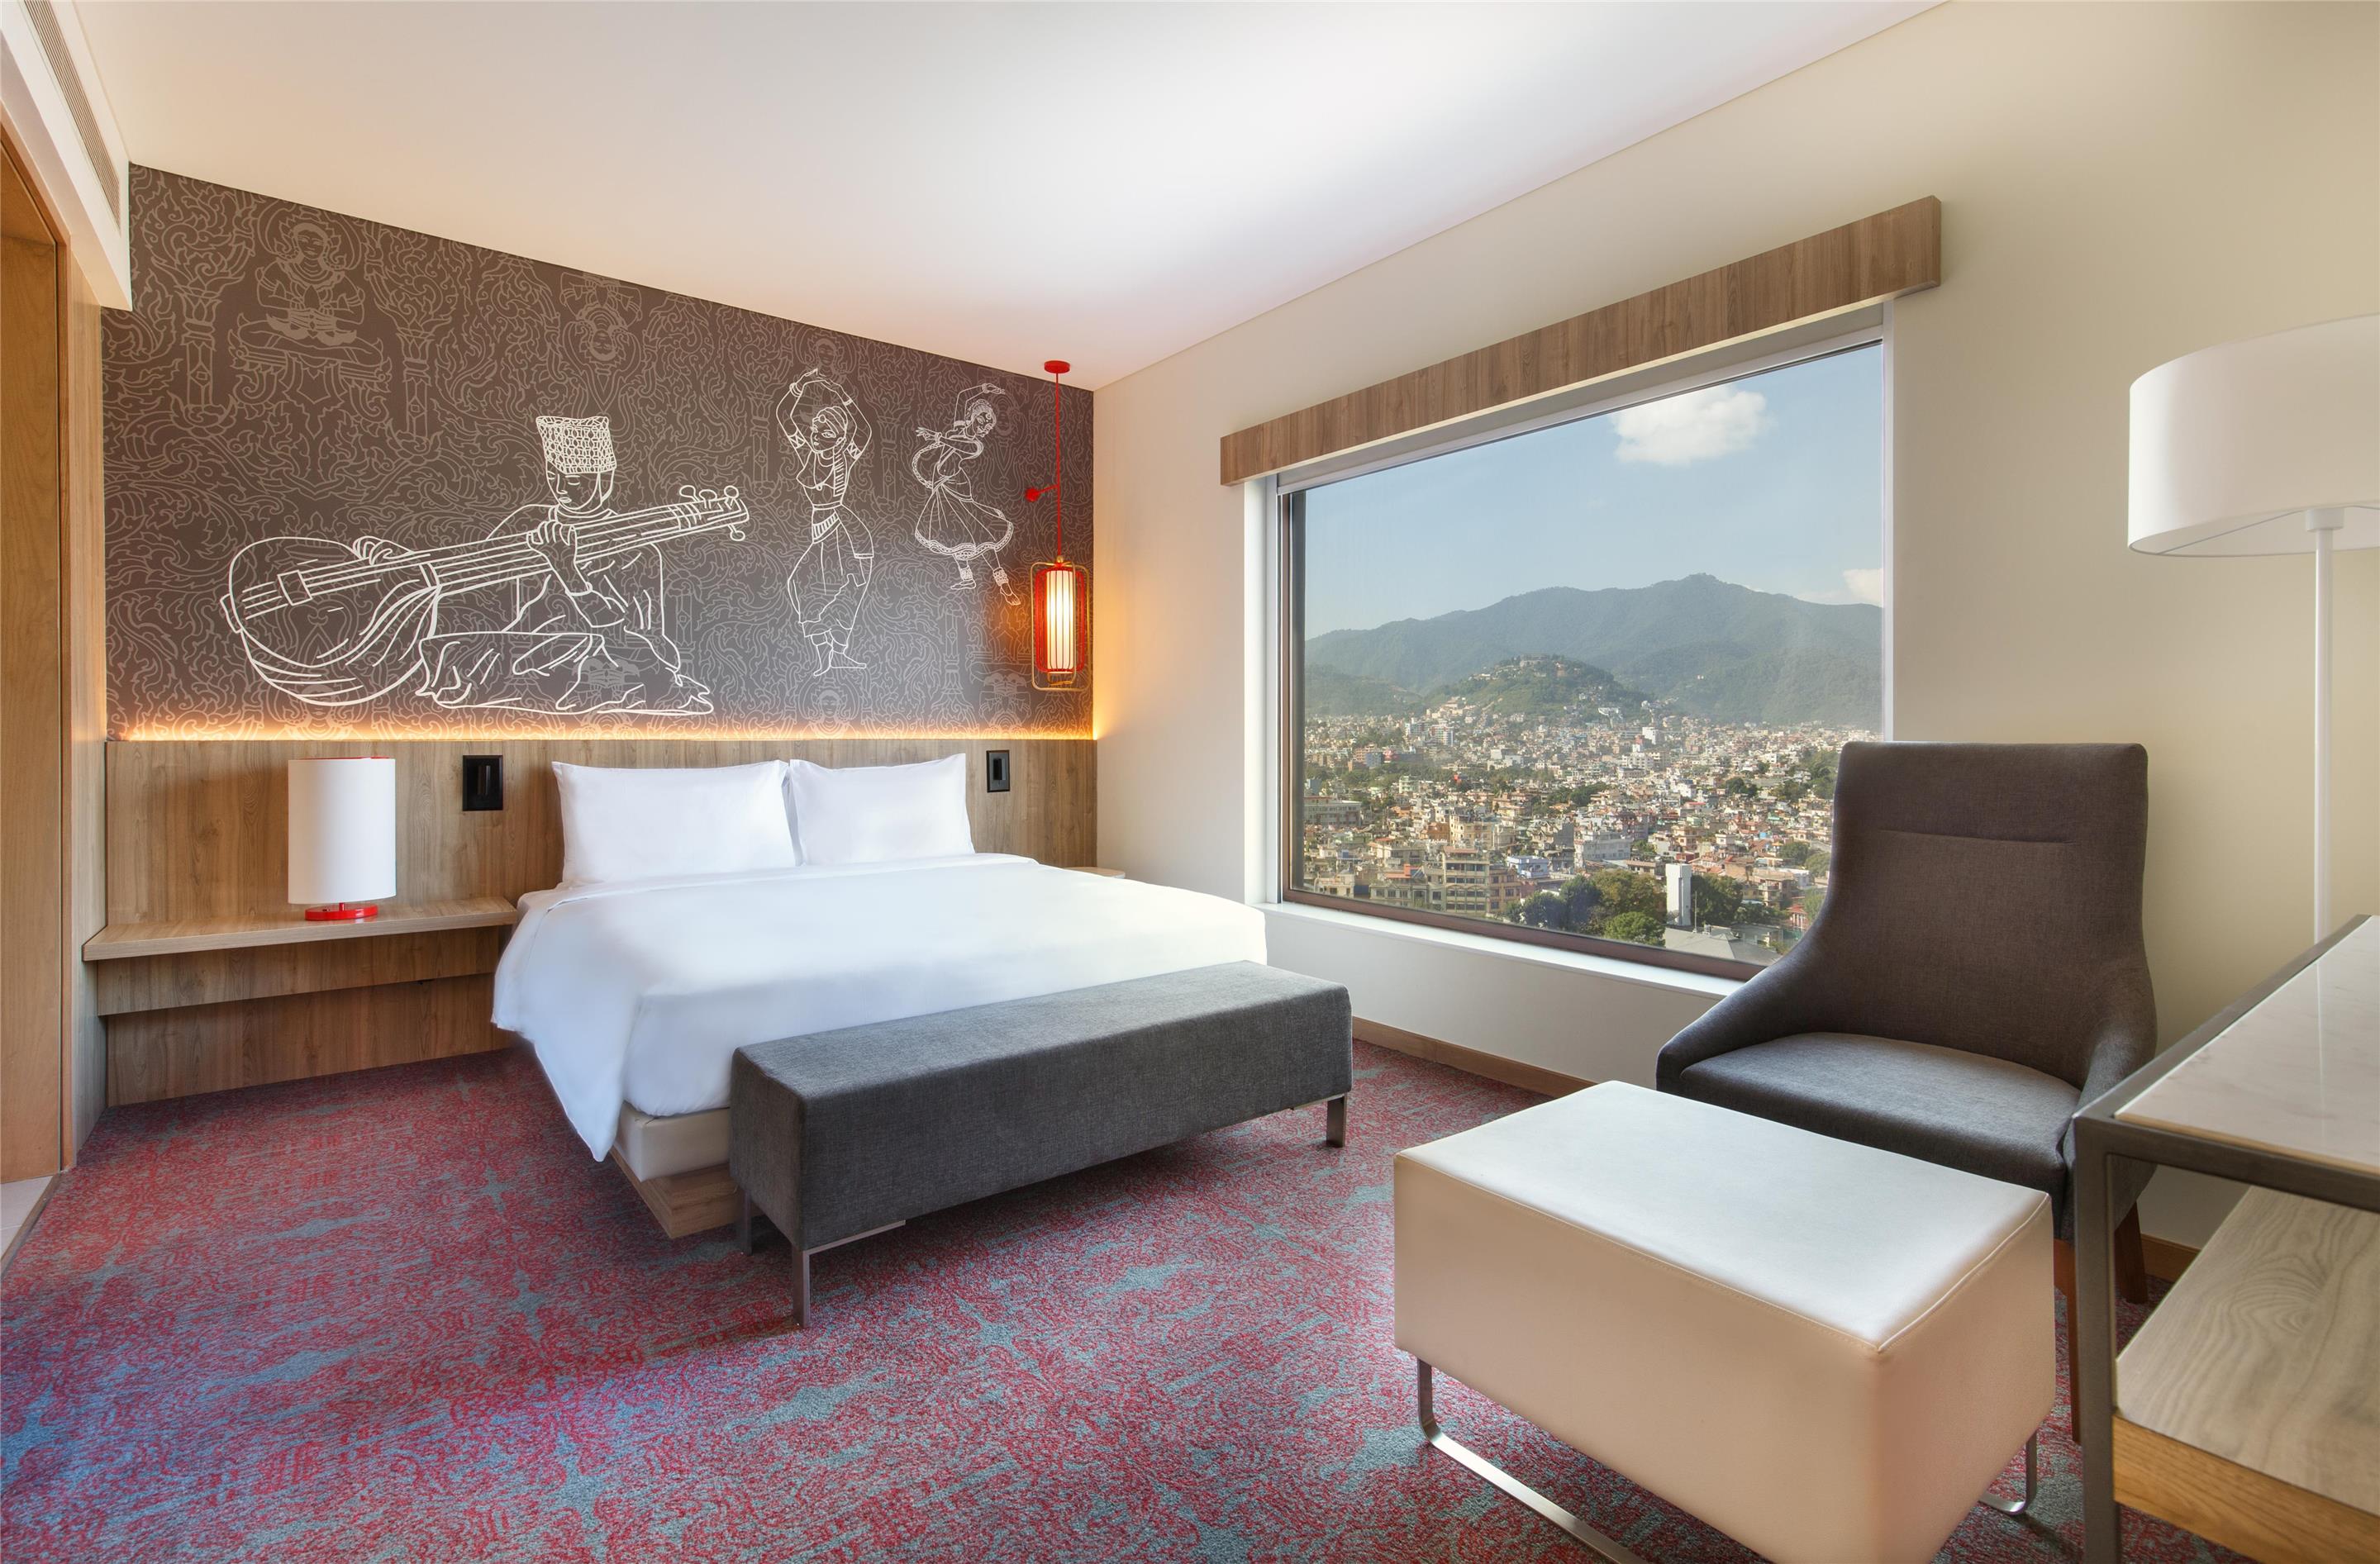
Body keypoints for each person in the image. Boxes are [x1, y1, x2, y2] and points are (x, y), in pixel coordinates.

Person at [408, 414, 712, 713]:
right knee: (454, 648)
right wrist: (406, 561)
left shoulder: (637, 549)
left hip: (603, 651)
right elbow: (476, 568)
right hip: (528, 644)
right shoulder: (529, 520)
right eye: (553, 477)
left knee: (586, 656)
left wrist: (566, 568)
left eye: (574, 480)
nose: (562, 488)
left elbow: (631, 637)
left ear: (605, 480)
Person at [778, 370, 876, 675]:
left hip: (842, 528)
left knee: (842, 588)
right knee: (802, 585)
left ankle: (838, 653)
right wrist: (800, 385)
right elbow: (784, 415)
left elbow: (864, 430)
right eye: (816, 429)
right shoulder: (808, 454)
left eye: (825, 432)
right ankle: (826, 656)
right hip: (820, 528)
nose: (816, 435)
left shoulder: (846, 456)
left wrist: (842, 394)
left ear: (840, 438)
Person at [911, 383, 1019, 603]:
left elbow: (958, 445)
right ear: (972, 418)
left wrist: (937, 437)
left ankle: (1004, 585)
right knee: (952, 533)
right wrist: (984, 388)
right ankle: (967, 579)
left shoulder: (975, 445)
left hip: (957, 488)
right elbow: (962, 397)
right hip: (944, 487)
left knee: (980, 536)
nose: (985, 428)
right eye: (982, 421)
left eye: (988, 426)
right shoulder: (958, 428)